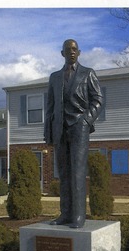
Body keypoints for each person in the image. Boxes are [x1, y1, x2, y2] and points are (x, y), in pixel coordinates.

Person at [44, 39, 104, 228]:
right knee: (63, 173)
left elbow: (98, 99)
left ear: (79, 53)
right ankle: (65, 213)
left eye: (74, 49)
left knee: (77, 172)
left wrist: (86, 119)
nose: (71, 52)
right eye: (67, 49)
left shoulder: (88, 73)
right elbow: (50, 106)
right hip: (60, 129)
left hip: (79, 127)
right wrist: (48, 132)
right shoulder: (54, 77)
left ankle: (79, 216)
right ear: (62, 53)